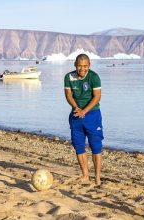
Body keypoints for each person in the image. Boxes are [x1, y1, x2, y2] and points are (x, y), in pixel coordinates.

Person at [64, 54, 104, 186]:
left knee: (96, 146)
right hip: (76, 114)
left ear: (89, 65)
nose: (82, 69)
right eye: (80, 66)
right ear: (75, 65)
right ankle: (85, 175)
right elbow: (68, 95)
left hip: (92, 114)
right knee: (79, 146)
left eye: (85, 66)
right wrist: (76, 108)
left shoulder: (94, 77)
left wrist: (84, 111)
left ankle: (97, 177)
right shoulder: (68, 77)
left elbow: (97, 97)